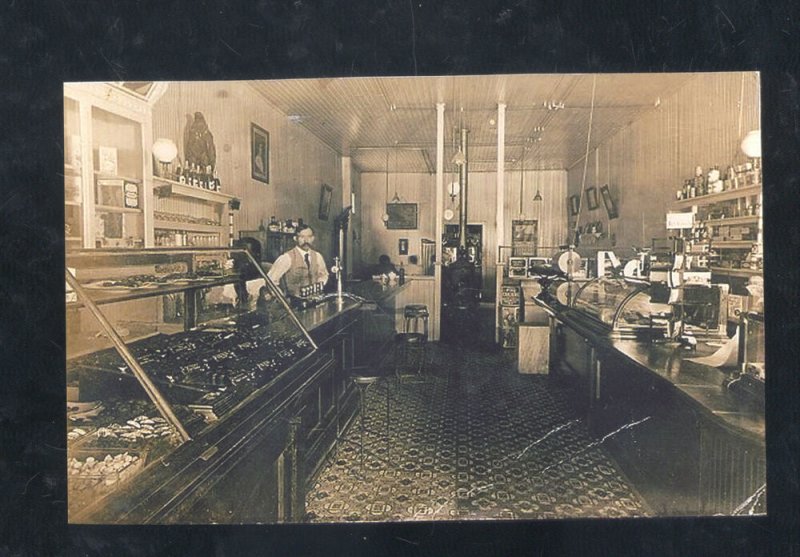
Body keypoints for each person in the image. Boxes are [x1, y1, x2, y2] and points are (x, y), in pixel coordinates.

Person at [267, 224, 329, 297]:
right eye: (302, 237)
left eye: (309, 237)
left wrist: (317, 288)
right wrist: (281, 296)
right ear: (295, 238)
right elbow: (270, 280)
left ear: (313, 238)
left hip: (315, 300)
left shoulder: (318, 256)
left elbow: (324, 275)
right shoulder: (287, 258)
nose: (306, 240)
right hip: (294, 303)